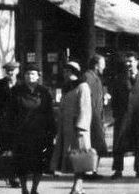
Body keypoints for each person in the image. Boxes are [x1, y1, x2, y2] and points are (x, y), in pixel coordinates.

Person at [6, 67, 55, 194]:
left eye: (33, 74)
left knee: (38, 162)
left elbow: (49, 113)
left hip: (39, 133)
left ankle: (34, 189)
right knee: (21, 162)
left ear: (38, 76)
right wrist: (9, 131)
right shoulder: (16, 91)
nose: (30, 76)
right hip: (21, 133)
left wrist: (52, 132)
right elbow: (10, 113)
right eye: (27, 73)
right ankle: (24, 189)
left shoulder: (44, 92)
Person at [50, 62, 94, 194]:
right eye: (64, 71)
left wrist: (81, 128)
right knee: (72, 158)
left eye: (68, 71)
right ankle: (79, 186)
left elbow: (85, 108)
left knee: (80, 157)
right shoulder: (67, 87)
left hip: (78, 129)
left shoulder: (83, 86)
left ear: (74, 72)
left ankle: (77, 185)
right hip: (66, 128)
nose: (65, 74)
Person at [108, 52, 139, 179]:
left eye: (131, 61)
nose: (128, 64)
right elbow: (115, 98)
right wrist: (117, 114)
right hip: (123, 116)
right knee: (119, 143)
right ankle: (118, 170)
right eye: (126, 61)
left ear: (137, 62)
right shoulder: (119, 78)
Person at [80, 54, 108, 178]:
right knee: (95, 144)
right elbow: (86, 97)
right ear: (96, 65)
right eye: (103, 64)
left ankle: (93, 170)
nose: (104, 67)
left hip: (97, 115)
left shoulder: (95, 77)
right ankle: (89, 171)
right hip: (92, 117)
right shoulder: (88, 77)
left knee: (97, 144)